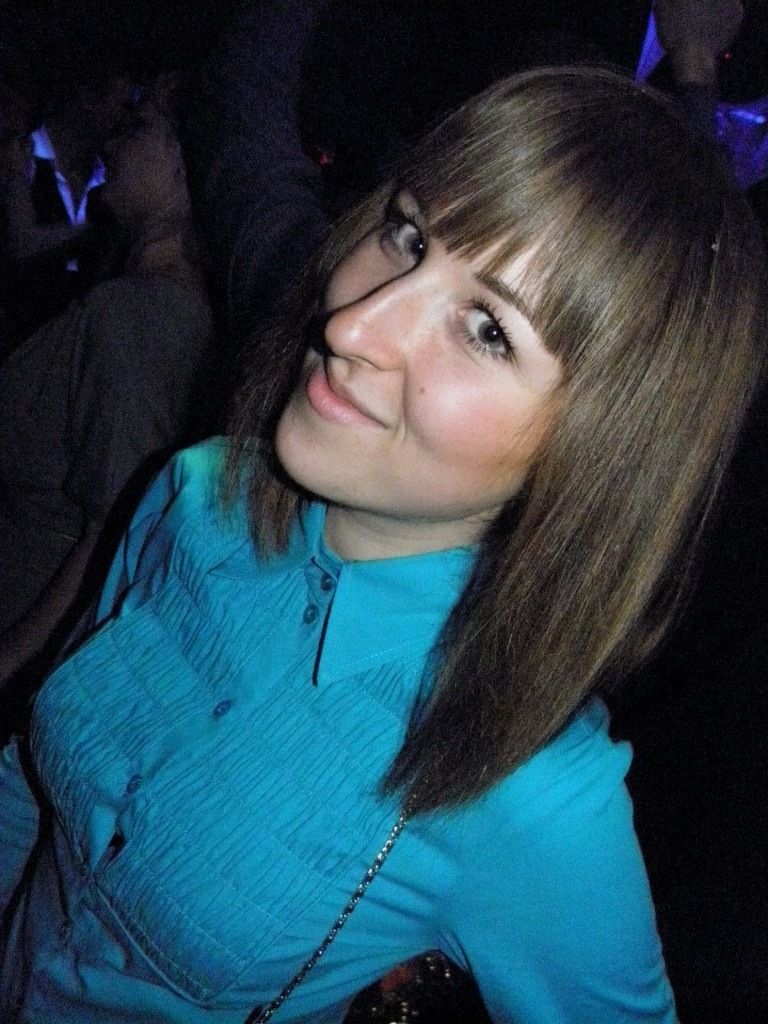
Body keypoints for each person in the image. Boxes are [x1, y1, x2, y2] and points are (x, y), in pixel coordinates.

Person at [1, 67, 766, 1024]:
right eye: (407, 236)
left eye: (487, 330)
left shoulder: (525, 789)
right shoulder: (196, 495)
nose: (352, 322)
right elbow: (30, 788)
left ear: (599, 451)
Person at [0, 98, 214, 708]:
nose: (111, 144)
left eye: (136, 128)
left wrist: (10, 668)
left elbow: (113, 530)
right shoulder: (139, 295)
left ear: (183, 162)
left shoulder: (144, 315)